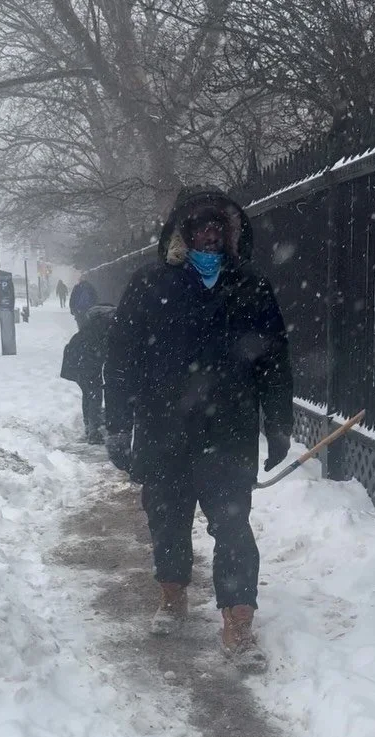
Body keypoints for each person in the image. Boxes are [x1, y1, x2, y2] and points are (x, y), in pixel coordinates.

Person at [104, 185, 293, 666]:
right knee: (167, 521)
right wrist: (117, 424)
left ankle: (238, 624)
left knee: (232, 528)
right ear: (182, 234)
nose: (210, 234)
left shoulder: (251, 288)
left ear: (231, 235)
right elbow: (121, 358)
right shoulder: (149, 285)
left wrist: (279, 423)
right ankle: (171, 595)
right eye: (201, 226)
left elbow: (274, 362)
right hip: (162, 429)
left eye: (218, 226)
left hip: (227, 435)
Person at [61, 302, 115, 444]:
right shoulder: (103, 329)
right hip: (87, 364)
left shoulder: (91, 327)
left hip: (78, 362)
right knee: (95, 395)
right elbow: (104, 349)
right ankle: (93, 432)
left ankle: (89, 426)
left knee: (89, 394)